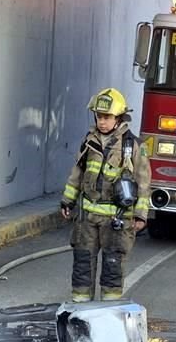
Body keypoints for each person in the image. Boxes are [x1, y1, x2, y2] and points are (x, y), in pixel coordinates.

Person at [60, 88, 151, 302]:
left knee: (112, 266)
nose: (102, 122)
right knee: (82, 264)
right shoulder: (89, 141)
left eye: (107, 117)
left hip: (116, 220)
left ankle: (108, 312)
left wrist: (140, 215)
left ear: (118, 118)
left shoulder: (133, 146)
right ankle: (80, 311)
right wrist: (68, 201)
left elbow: (143, 182)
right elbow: (77, 173)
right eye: (99, 117)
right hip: (87, 218)